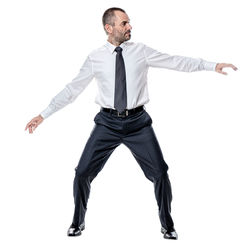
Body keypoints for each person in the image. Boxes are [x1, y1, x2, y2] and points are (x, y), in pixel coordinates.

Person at [25, 7, 238, 240]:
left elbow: (176, 62)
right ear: (109, 28)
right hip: (107, 123)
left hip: (138, 123)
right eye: (124, 23)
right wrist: (43, 114)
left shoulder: (141, 51)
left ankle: (167, 225)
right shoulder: (96, 57)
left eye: (129, 23)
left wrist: (211, 65)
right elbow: (72, 89)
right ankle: (77, 222)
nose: (130, 27)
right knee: (82, 173)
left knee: (161, 174)